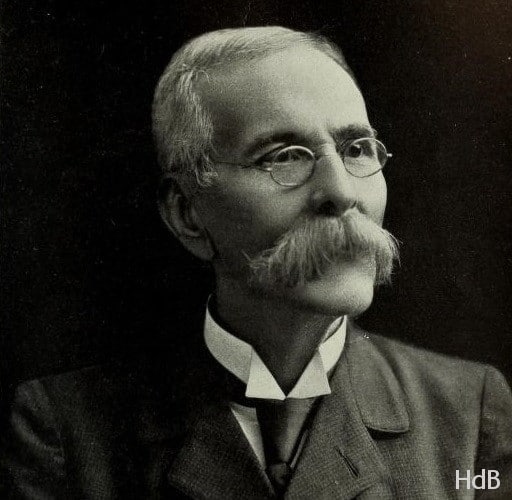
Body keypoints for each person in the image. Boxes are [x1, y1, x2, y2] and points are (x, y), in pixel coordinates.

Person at [2, 26, 512, 499]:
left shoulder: (471, 416)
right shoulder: (65, 432)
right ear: (188, 214)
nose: (341, 192)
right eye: (285, 156)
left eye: (357, 149)